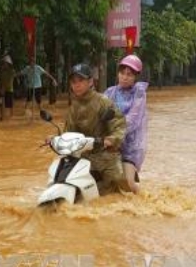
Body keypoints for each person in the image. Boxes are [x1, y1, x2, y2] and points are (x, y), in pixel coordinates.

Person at [63, 63, 129, 195]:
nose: (77, 85)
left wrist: (110, 140)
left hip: (104, 154)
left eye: (81, 80)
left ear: (90, 81)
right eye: (73, 81)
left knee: (118, 182)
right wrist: (57, 139)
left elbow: (119, 125)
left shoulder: (103, 102)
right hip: (83, 155)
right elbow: (69, 133)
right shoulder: (73, 108)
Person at [104, 55, 148, 194]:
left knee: (127, 183)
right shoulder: (110, 92)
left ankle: (144, 198)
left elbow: (133, 119)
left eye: (129, 74)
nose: (124, 77)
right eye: (122, 73)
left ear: (136, 77)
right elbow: (98, 111)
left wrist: (115, 133)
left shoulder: (139, 94)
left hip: (131, 146)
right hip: (109, 143)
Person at [0, 55, 15, 120]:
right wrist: (0, 88)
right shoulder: (2, 72)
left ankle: (11, 116)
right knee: (2, 103)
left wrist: (4, 88)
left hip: (9, 89)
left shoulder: (12, 71)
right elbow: (1, 81)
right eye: (4, 63)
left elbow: (10, 81)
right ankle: (3, 116)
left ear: (8, 64)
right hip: (2, 89)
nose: (4, 64)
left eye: (5, 63)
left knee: (10, 104)